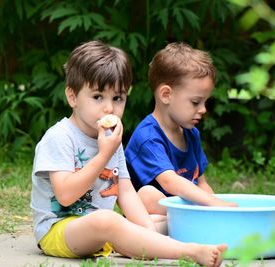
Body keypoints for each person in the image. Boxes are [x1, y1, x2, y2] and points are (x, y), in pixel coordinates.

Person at [30, 40, 226, 267]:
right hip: (58, 231)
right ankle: (189, 251)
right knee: (108, 220)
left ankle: (159, 239)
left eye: (117, 98)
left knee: (157, 220)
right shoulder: (60, 137)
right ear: (72, 97)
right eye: (97, 97)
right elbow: (65, 195)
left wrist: (148, 230)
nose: (109, 108)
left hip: (99, 232)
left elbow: (125, 191)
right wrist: (103, 155)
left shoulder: (111, 138)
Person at [125, 42, 237, 218]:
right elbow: (170, 182)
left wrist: (217, 208)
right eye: (195, 102)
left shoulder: (191, 133)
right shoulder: (148, 137)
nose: (203, 109)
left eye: (205, 102)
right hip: (154, 212)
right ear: (166, 95)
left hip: (186, 209)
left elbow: (201, 183)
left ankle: (192, 222)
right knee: (147, 194)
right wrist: (211, 203)